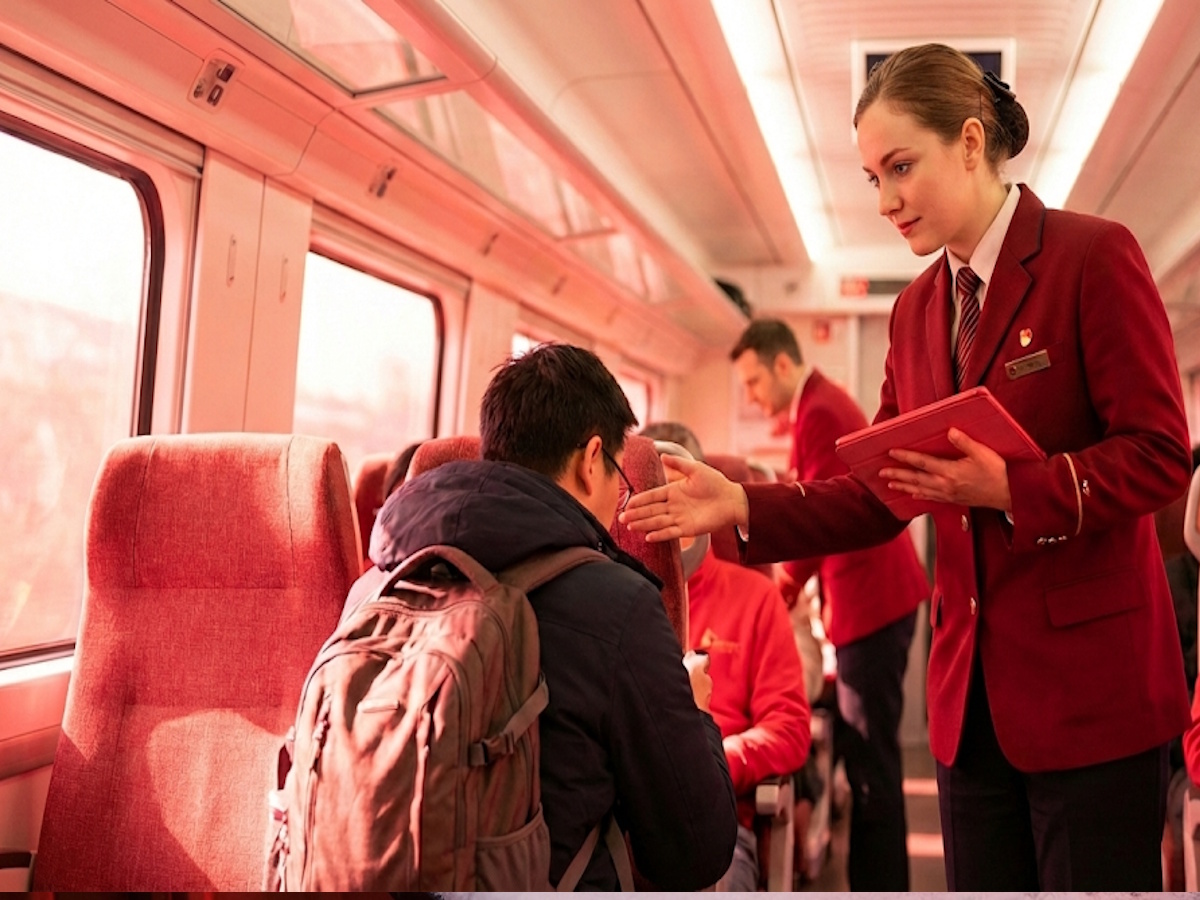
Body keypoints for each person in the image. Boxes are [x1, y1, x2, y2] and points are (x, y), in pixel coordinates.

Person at [622, 43, 1192, 891]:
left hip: (1090, 695)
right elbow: (876, 493)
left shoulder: (1091, 258)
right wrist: (743, 501)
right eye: (870, 178)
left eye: (900, 168)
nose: (885, 201)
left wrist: (1012, 488)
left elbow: (1159, 458)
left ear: (969, 142)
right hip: (968, 701)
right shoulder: (918, 310)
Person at [368, 343, 737, 890]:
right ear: (592, 460)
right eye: (618, 474)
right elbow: (695, 854)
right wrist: (699, 713)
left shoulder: (375, 584)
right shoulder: (620, 605)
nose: (617, 498)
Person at [729, 319, 929, 889]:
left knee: (872, 769)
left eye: (754, 382)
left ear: (784, 365)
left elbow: (816, 521)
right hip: (869, 602)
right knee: (864, 756)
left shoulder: (818, 411)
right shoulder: (818, 404)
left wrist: (779, 593)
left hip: (873, 606)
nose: (751, 396)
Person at [642, 421, 812, 890]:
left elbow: (790, 727)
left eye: (674, 495)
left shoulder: (755, 597)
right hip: (622, 824)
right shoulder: (613, 599)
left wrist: (711, 760)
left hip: (717, 822)